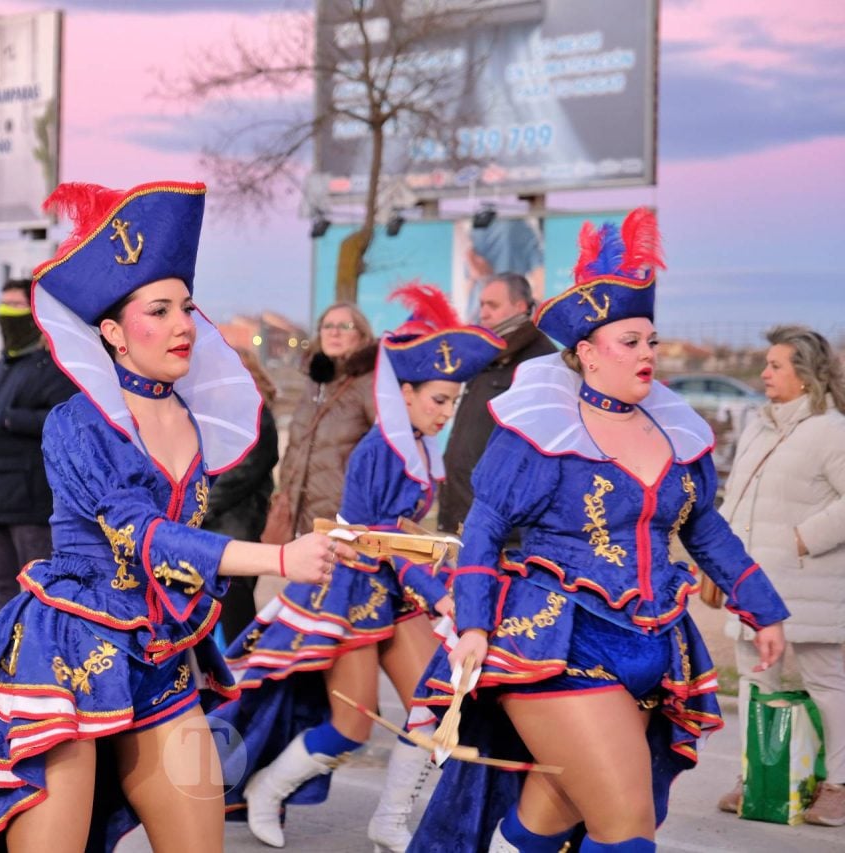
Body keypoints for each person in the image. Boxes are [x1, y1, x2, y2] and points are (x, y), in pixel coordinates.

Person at [0, 180, 350, 852]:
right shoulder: (77, 422)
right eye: (160, 309)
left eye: (187, 305)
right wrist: (277, 559)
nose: (184, 323)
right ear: (114, 332)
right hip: (68, 656)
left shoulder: (192, 418)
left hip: (164, 658)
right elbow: (144, 535)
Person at [408, 209, 789, 853]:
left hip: (654, 643)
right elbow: (485, 527)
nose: (647, 353)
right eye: (629, 342)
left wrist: (764, 610)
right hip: (557, 640)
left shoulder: (674, 433)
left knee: (551, 811)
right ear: (585, 353)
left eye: (650, 339)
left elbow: (706, 530)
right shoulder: (541, 430)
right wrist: (473, 624)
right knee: (625, 827)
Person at [216, 285, 505, 852]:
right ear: (408, 393)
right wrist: (437, 590)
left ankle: (390, 820)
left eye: (453, 401)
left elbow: (403, 537)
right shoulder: (381, 447)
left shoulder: (418, 446)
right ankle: (269, 790)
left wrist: (439, 571)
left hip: (392, 588)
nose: (447, 413)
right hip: (347, 589)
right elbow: (380, 539)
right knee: (354, 723)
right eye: (439, 400)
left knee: (433, 703)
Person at [715, 325, 845, 826]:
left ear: (806, 377)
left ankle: (838, 783)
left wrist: (803, 538)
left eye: (775, 366)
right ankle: (759, 775)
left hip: (811, 582)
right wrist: (720, 560)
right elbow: (737, 498)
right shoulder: (759, 426)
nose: (764, 373)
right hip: (754, 583)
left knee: (825, 681)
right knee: (755, 680)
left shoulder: (831, 431)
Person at [0, 278, 77, 612]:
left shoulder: (55, 367)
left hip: (31, 507)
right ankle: (6, 660)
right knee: (1, 588)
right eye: (2, 305)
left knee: (39, 592)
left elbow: (68, 422)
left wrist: (17, 420)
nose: (5, 313)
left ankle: (39, 661)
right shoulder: (4, 364)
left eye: (15, 306)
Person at [438, 272, 555, 537]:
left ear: (521, 307)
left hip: (503, 529)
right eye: (481, 305)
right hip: (464, 513)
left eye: (493, 305)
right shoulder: (488, 352)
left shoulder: (540, 360)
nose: (484, 313)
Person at [273, 302, 377, 541]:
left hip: (344, 519)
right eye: (327, 326)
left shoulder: (369, 384)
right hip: (300, 514)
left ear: (361, 335)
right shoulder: (314, 382)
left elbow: (383, 450)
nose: (334, 332)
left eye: (345, 326)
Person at [203, 346, 281, 643]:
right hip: (212, 528)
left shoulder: (256, 417)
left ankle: (246, 684)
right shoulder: (212, 416)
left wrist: (194, 508)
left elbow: (239, 475)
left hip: (234, 529)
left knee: (236, 620)